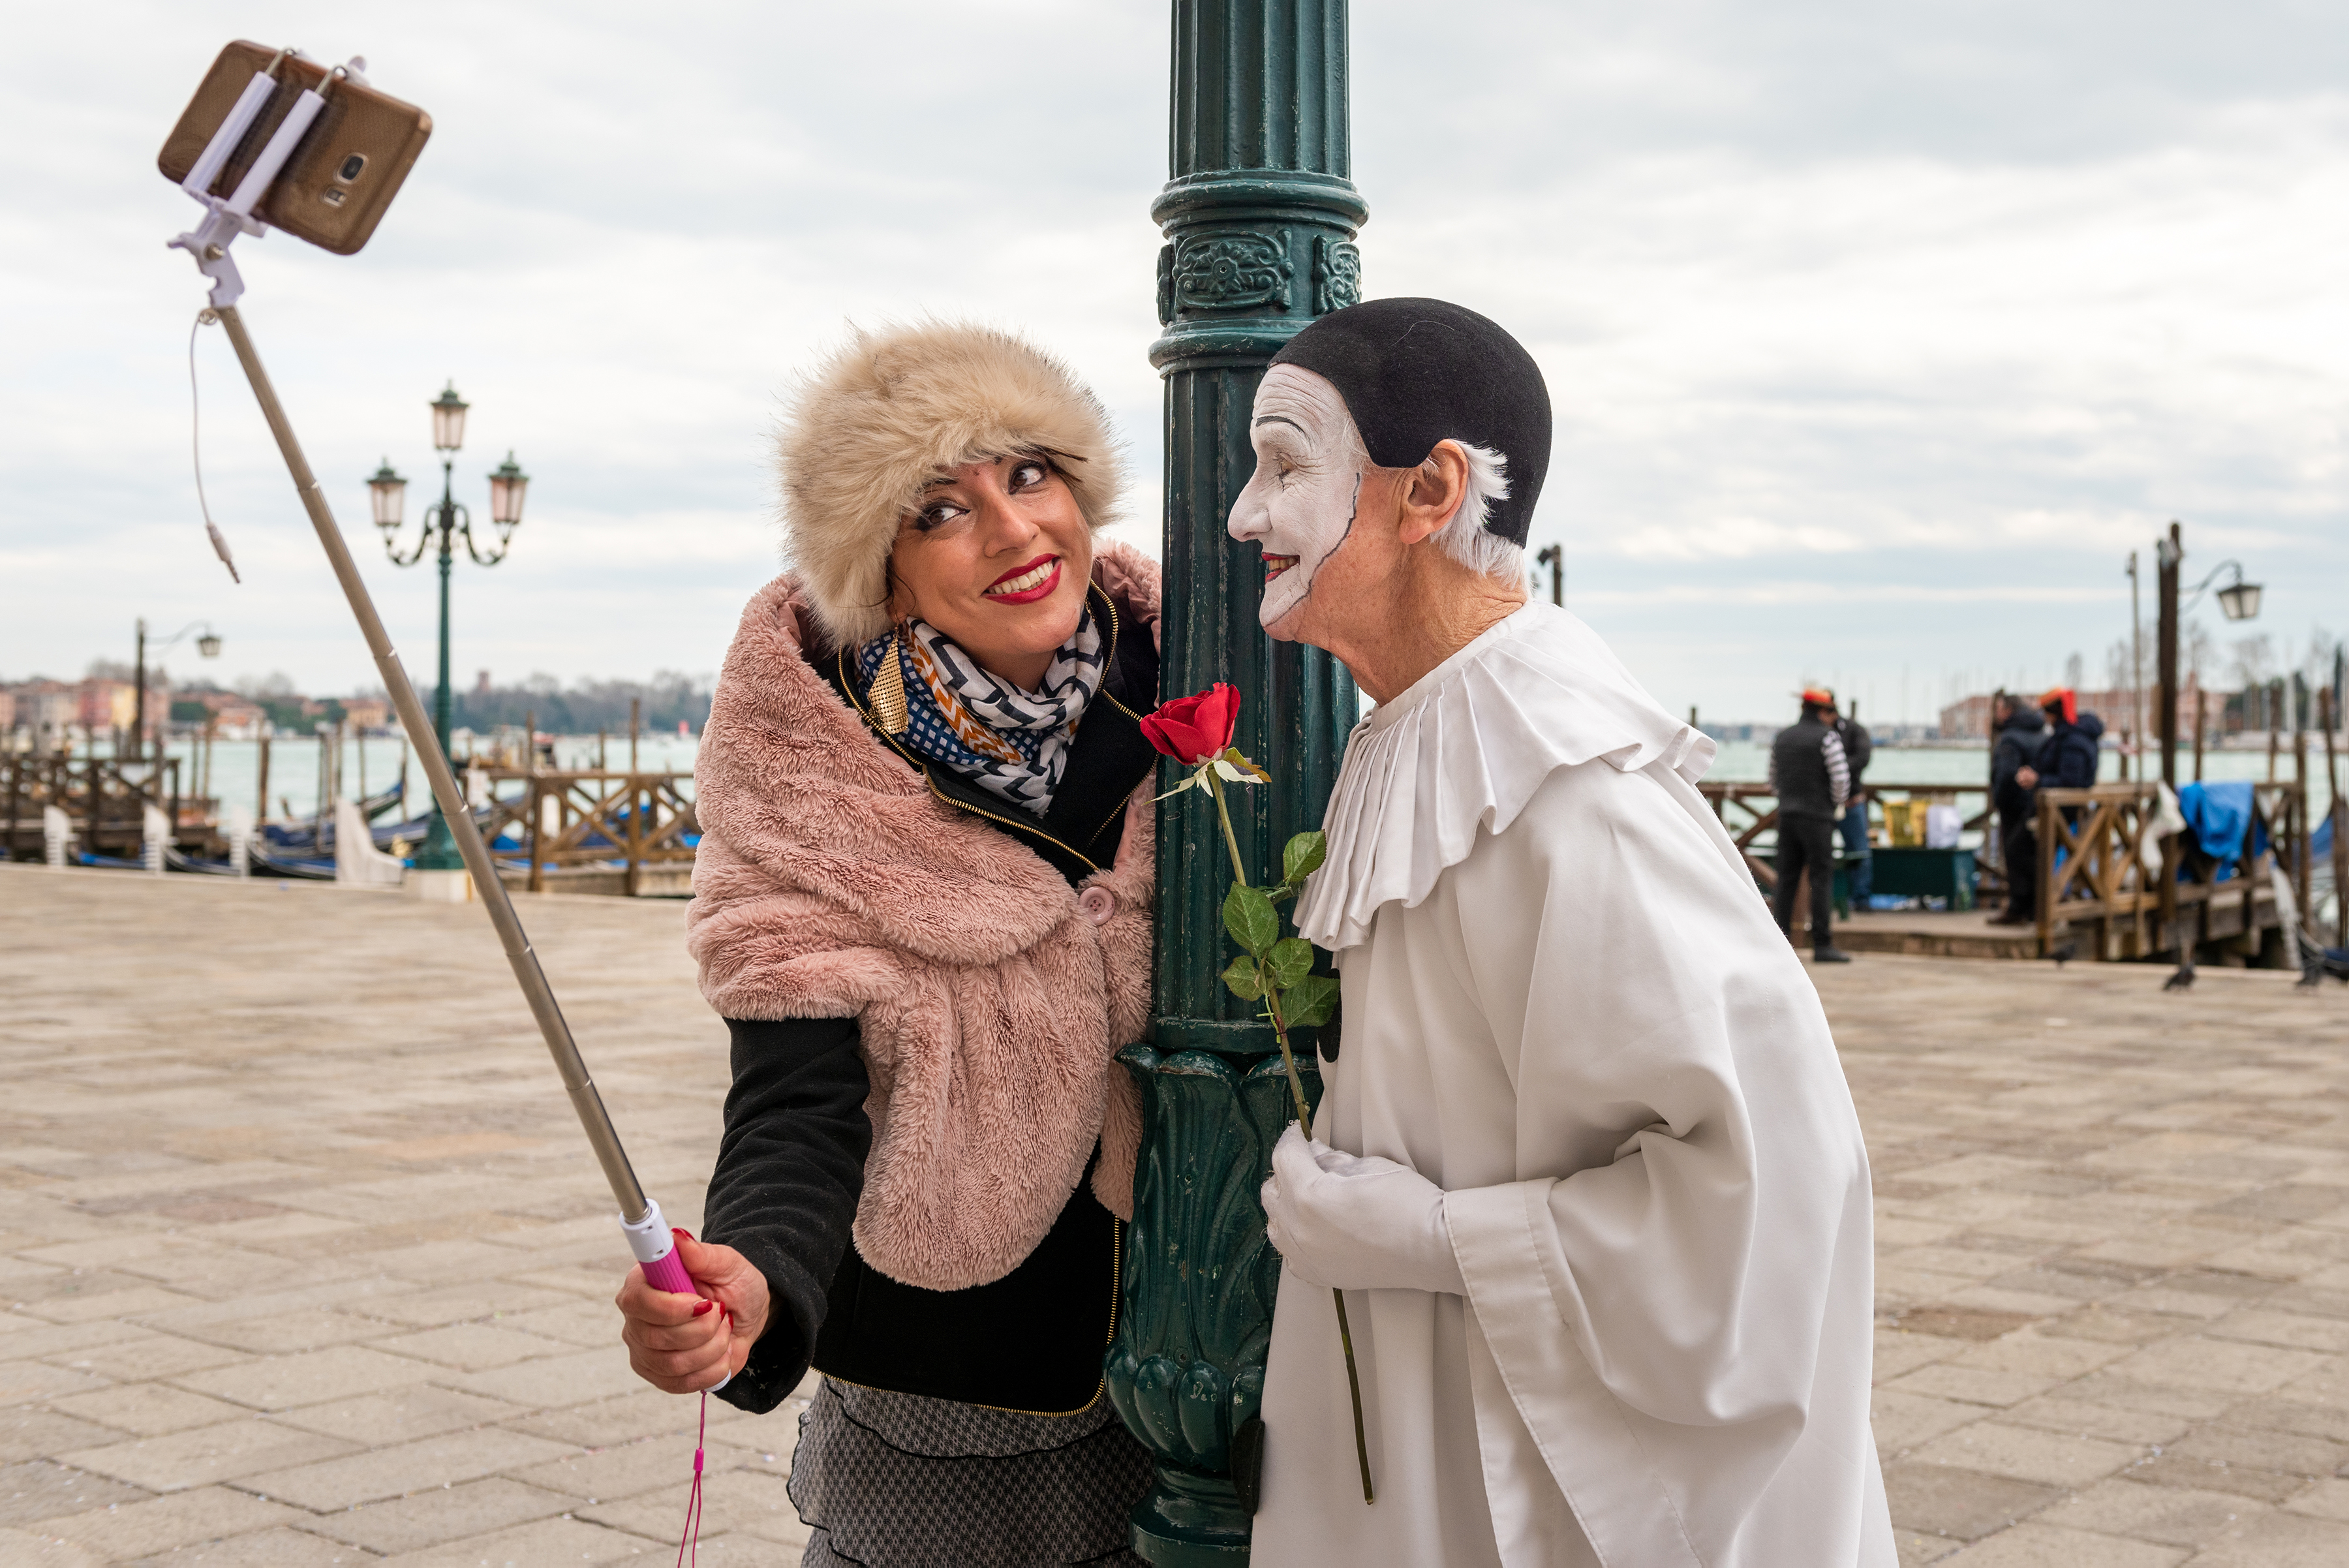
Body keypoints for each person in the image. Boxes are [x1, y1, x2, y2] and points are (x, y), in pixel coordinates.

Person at [1227, 298, 1892, 1566]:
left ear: (1431, 491)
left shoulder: (1577, 800)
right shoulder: (1441, 731)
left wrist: (1431, 1242)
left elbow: (1774, 1183)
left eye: (1286, 464)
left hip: (1495, 1478)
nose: (1244, 515)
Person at [613, 322, 1163, 1567]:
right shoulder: (808, 788)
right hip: (963, 1393)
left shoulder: (1202, 680)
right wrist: (750, 1277)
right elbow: (796, 1108)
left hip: (1225, 1357)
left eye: (1030, 473)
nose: (1017, 530)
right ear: (886, 570)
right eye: (941, 509)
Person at [1768, 687, 1855, 963]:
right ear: (1822, 711)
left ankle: (1780, 945)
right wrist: (1834, 804)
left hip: (1788, 815)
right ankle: (1823, 944)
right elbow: (1841, 779)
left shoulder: (1782, 737)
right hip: (1818, 817)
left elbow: (1773, 779)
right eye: (1831, 712)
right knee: (1821, 878)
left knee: (1786, 880)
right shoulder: (1828, 738)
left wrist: (1786, 799)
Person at [1988, 692, 2046, 925]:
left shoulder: (2010, 739)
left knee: (2014, 855)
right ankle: (2034, 907)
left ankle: (2018, 907)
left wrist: (1999, 799)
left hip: (2015, 805)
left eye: (1999, 709)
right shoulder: (2040, 733)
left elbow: (2006, 775)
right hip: (2036, 804)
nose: (1997, 714)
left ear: (2008, 711)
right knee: (2033, 855)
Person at [1835, 702, 1875, 905]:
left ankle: (1861, 898)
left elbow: (1863, 757)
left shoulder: (1855, 730)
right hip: (1825, 805)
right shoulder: (1820, 732)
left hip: (1851, 801)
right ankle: (1834, 899)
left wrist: (1834, 768)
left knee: (1859, 850)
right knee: (1821, 851)